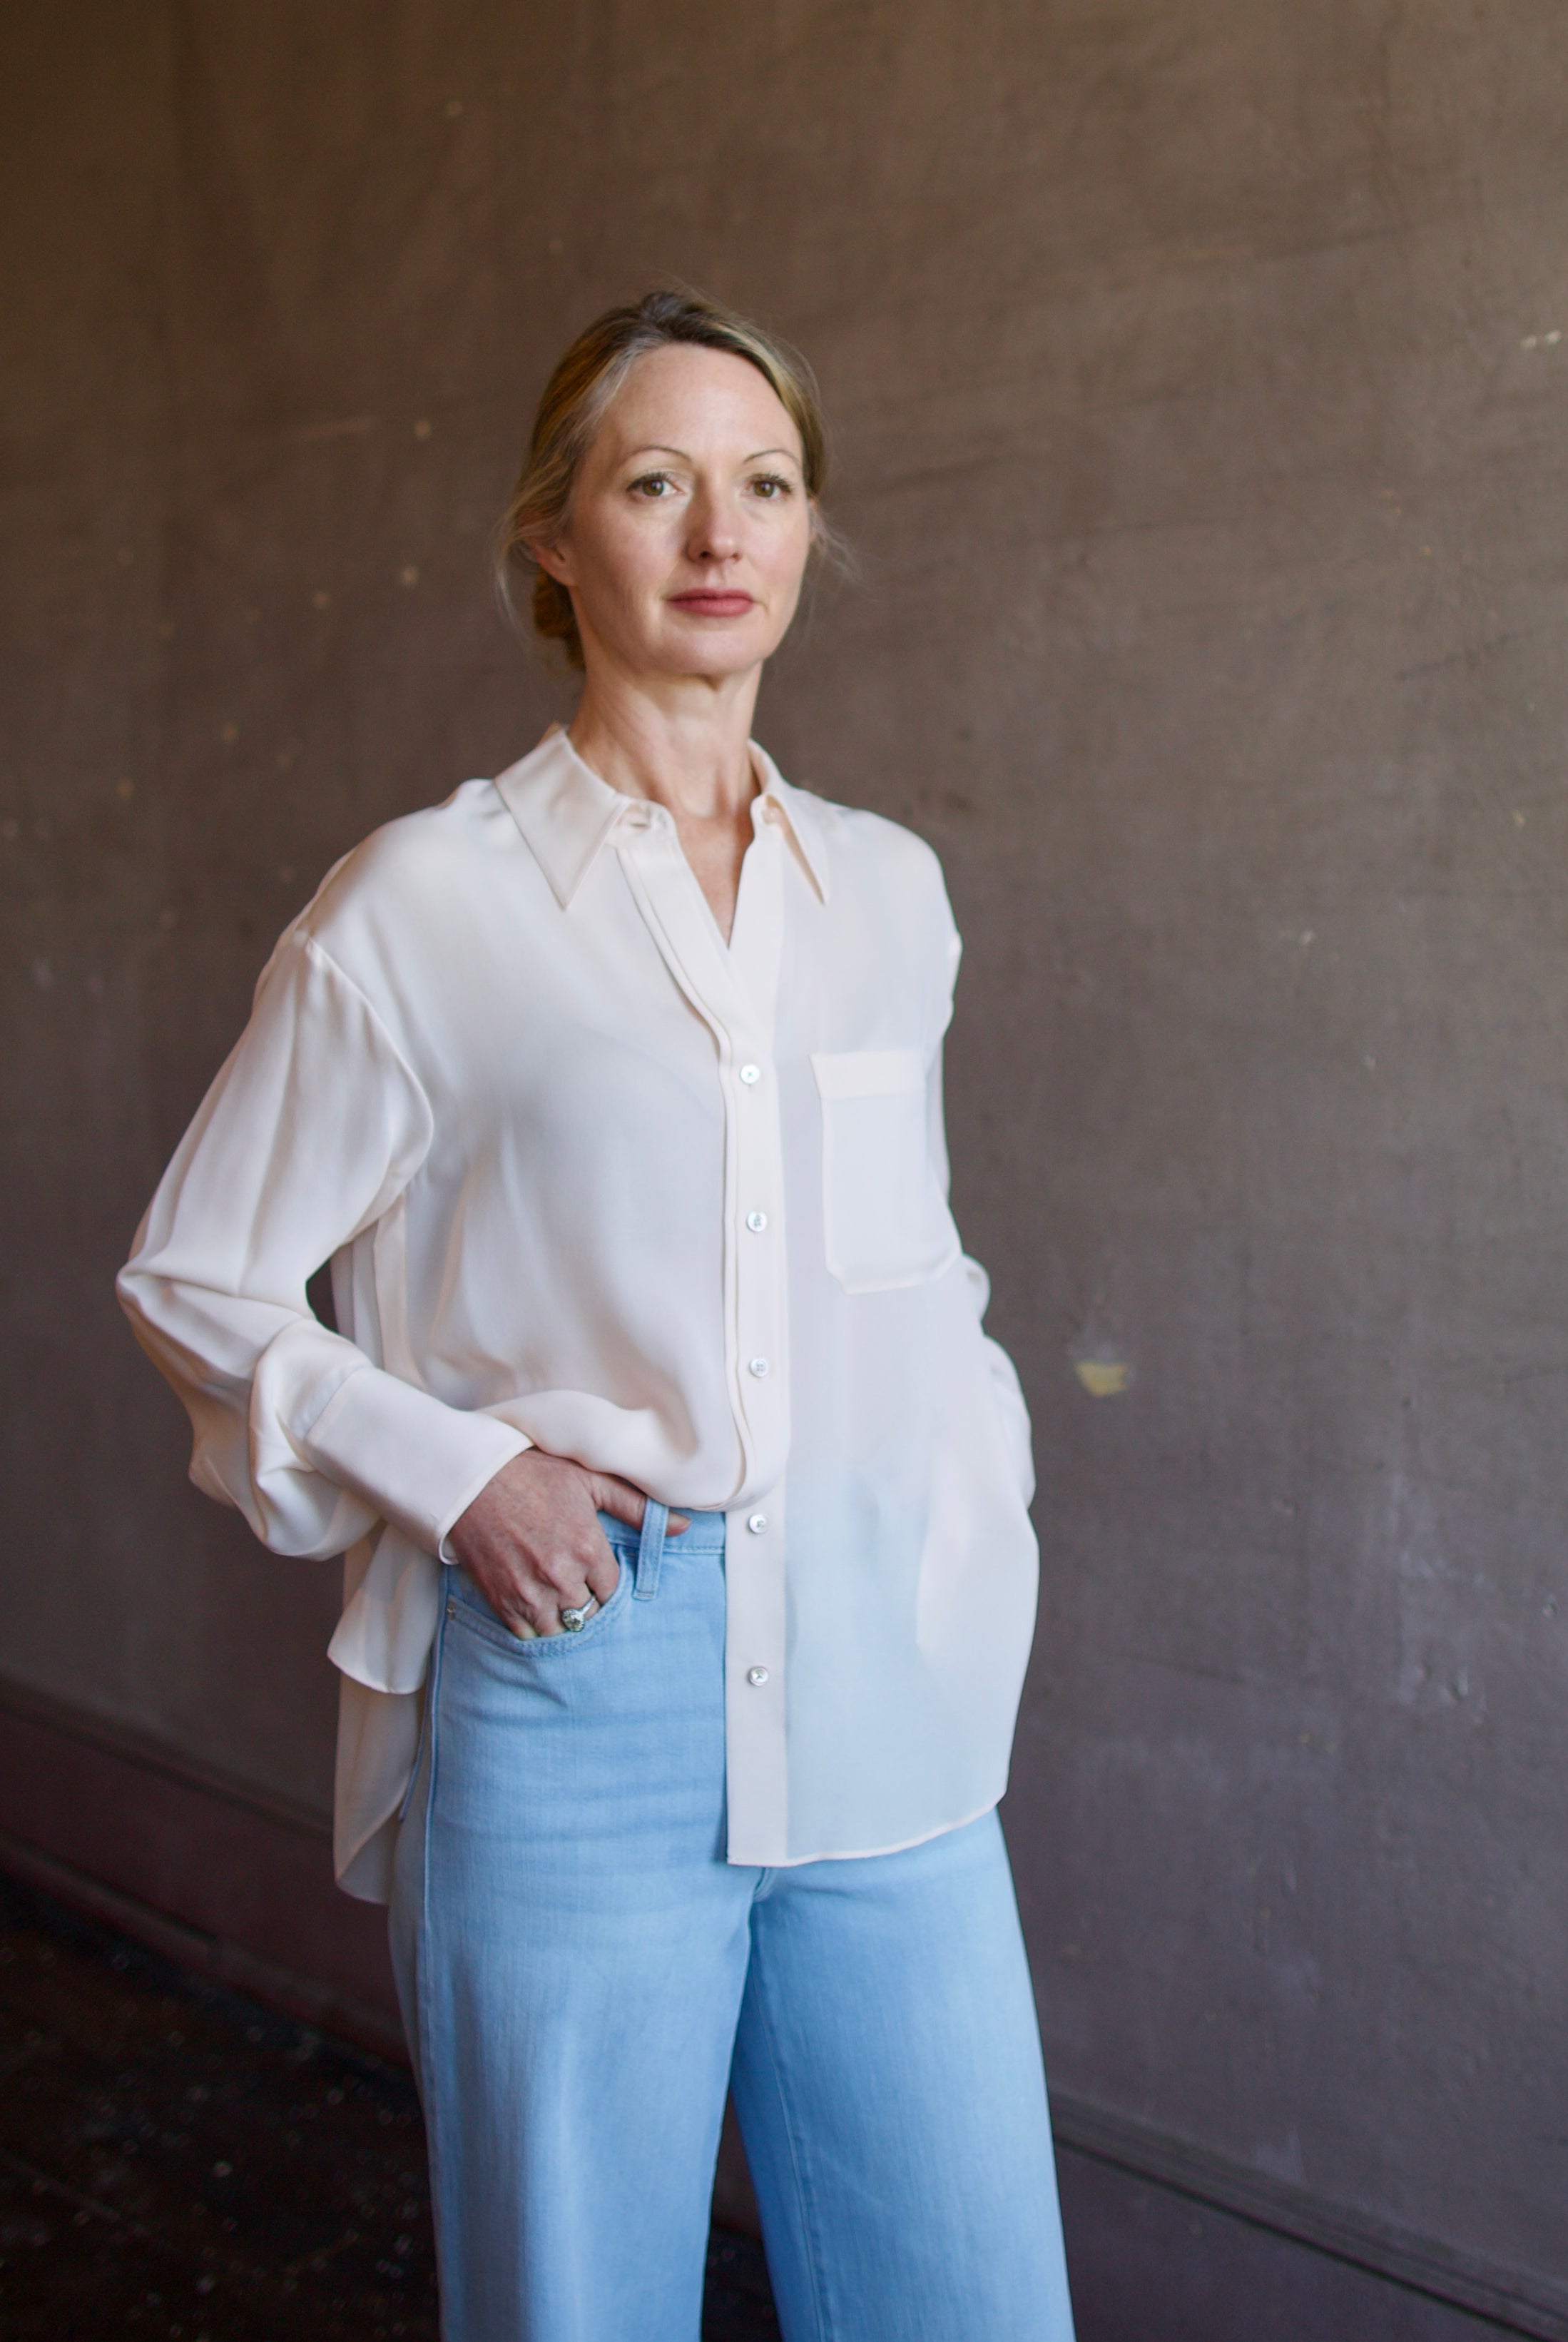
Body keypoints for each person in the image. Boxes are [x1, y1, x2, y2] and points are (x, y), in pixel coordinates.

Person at [118, 288, 1076, 2342]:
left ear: (809, 530)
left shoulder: (891, 896)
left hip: (878, 1696)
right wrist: (455, 1475)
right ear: (557, 538)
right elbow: (191, 1270)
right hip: (574, 1702)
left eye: (767, 484)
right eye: (657, 484)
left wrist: (966, 1521)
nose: (719, 533)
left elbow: (918, 1272)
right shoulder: (421, 907)